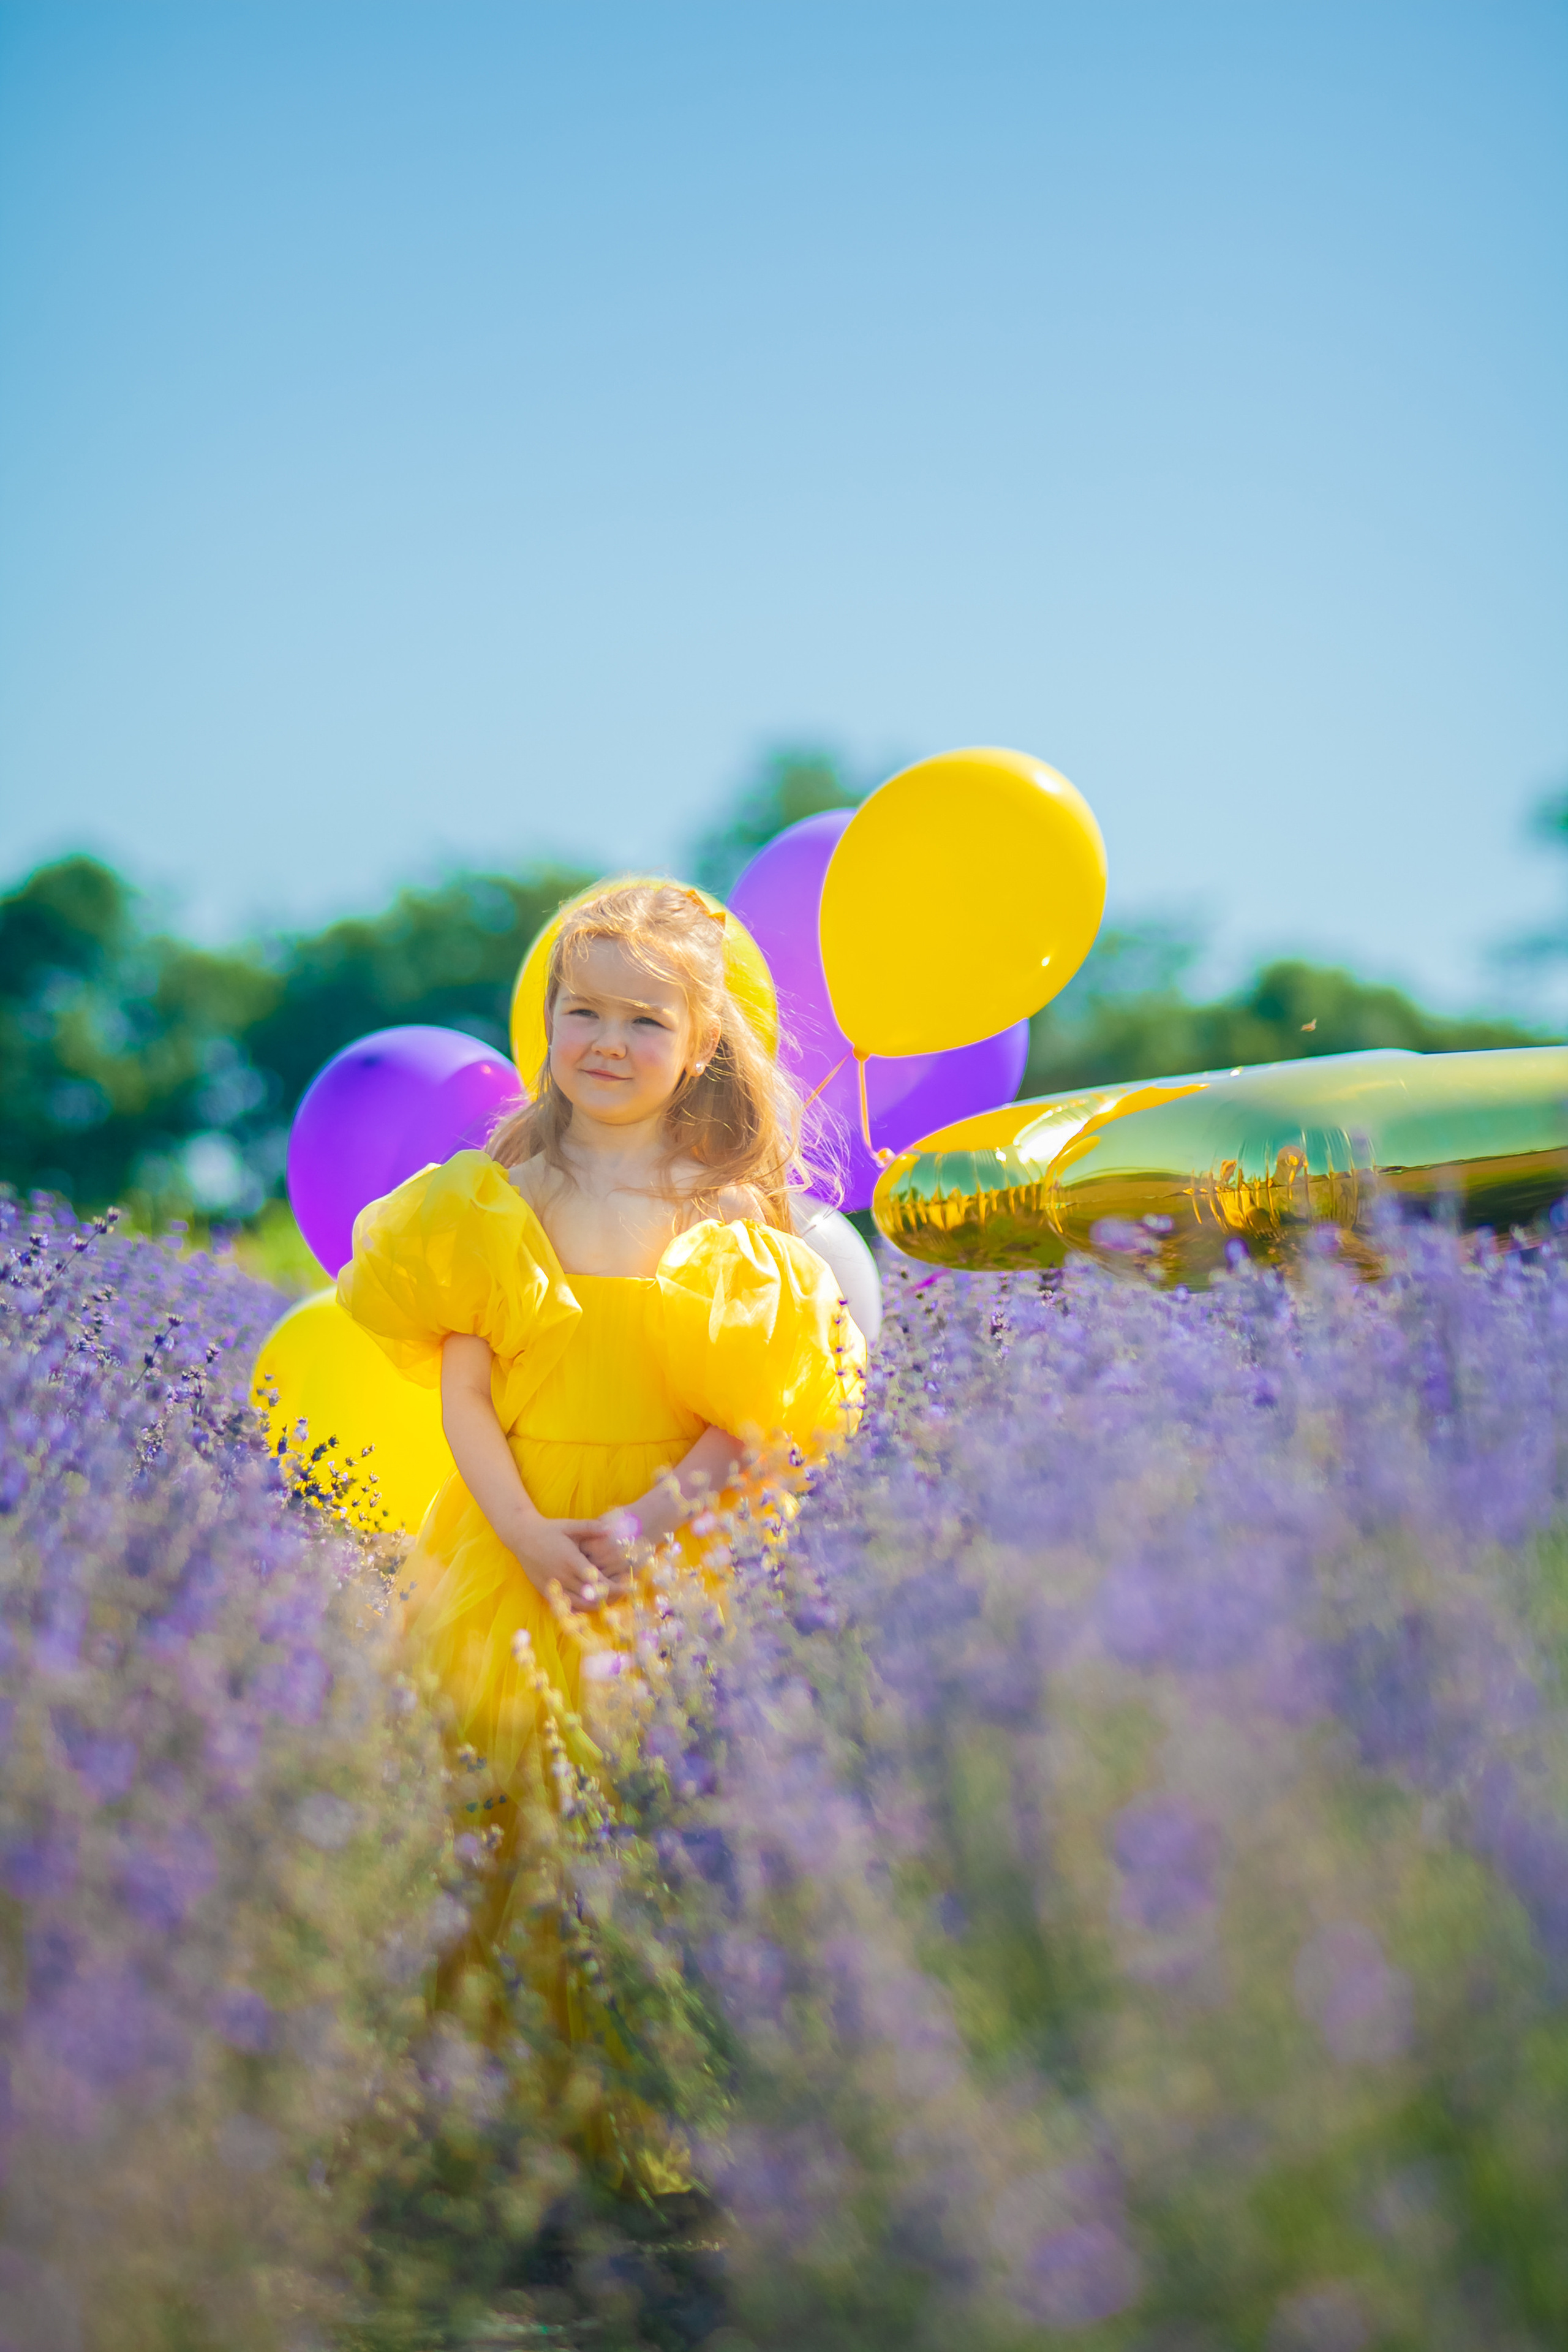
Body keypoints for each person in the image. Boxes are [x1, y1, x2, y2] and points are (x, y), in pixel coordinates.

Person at [337, 880, 865, 2166]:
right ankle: (481, 2115)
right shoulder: (501, 1185)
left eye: (643, 1020)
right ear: (549, 1026)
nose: (607, 1043)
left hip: (658, 1557)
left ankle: (625, 2120)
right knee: (493, 1817)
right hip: (510, 1541)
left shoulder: (725, 1211)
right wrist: (520, 1530)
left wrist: (641, 1525)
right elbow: (467, 1387)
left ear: (699, 1049)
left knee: (632, 1830)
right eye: (583, 1011)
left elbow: (752, 1426)